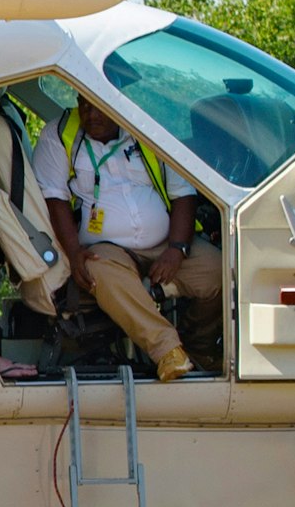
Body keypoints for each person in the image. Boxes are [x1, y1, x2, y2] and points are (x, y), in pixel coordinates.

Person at [30, 97, 219, 383]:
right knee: (97, 271)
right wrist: (74, 252)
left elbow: (184, 193)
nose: (91, 114)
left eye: (99, 106)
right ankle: (168, 351)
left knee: (218, 272)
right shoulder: (59, 133)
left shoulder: (149, 128)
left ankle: (198, 348)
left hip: (166, 243)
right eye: (85, 105)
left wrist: (177, 249)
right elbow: (54, 199)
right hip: (106, 249)